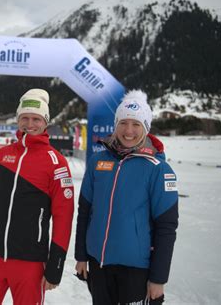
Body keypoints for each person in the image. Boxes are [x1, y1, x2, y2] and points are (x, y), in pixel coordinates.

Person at [0, 89, 75, 305]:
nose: (30, 124)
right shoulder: (2, 156)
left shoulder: (56, 162)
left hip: (31, 262)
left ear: (45, 121)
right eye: (25, 118)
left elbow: (63, 218)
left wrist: (55, 266)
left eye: (36, 119)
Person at [75, 90, 179, 305]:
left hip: (136, 270)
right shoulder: (97, 161)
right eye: (123, 123)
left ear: (146, 128)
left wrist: (158, 279)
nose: (128, 130)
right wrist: (81, 256)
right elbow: (85, 211)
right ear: (115, 124)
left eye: (136, 124)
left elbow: (166, 227)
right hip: (98, 263)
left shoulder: (159, 169)